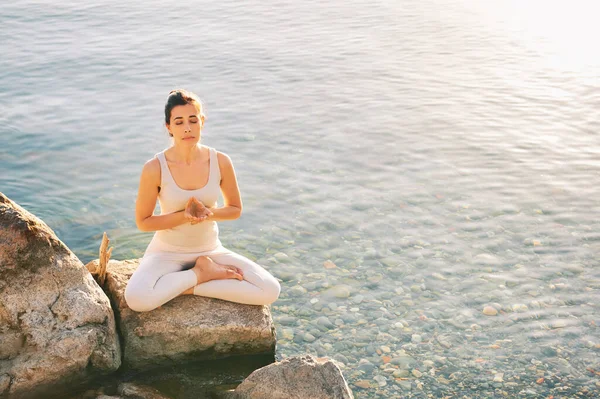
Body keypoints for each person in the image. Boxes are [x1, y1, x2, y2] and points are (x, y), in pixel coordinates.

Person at [124, 89, 281, 312]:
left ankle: (186, 283)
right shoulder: (154, 168)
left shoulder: (221, 161)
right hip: (166, 253)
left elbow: (235, 209)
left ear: (202, 121)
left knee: (270, 290)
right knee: (136, 299)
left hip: (211, 250)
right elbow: (144, 222)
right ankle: (201, 274)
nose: (187, 127)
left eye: (192, 119)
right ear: (168, 127)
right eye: (178, 122)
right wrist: (183, 217)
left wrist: (209, 213)